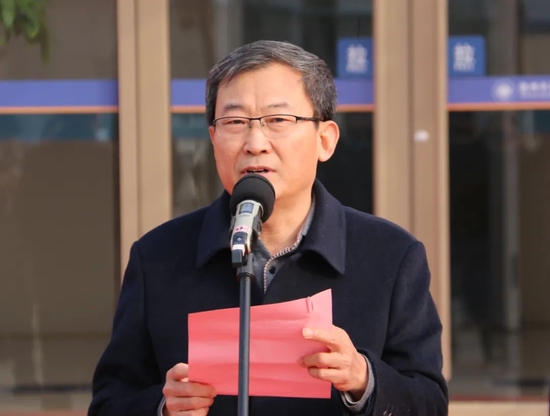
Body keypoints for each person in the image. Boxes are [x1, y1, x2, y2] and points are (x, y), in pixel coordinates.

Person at [88, 40, 448, 416]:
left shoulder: (390, 255)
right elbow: (109, 403)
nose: (255, 143)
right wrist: (163, 407)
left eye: (278, 120)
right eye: (235, 122)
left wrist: (363, 381)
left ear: (325, 140)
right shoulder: (158, 256)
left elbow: (429, 403)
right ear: (213, 139)